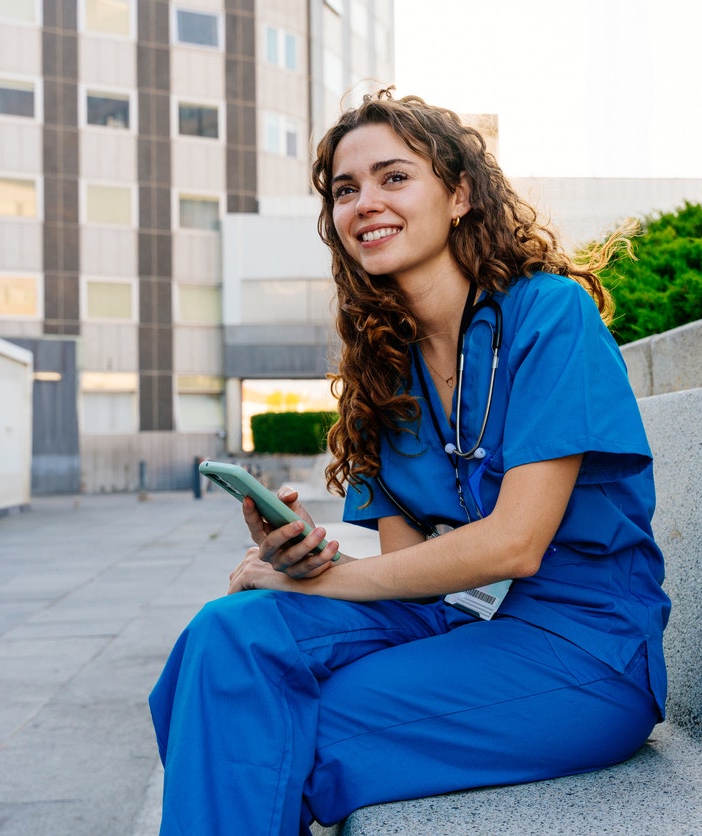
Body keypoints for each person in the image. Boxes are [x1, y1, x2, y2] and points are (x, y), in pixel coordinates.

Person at [149, 89, 671, 835]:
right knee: (228, 635)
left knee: (249, 736)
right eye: (344, 189)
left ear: (458, 195)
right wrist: (303, 565)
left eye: (394, 178)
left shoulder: (549, 314)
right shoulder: (380, 373)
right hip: (454, 621)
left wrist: (338, 579)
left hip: (580, 648)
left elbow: (514, 545)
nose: (365, 202)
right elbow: (407, 570)